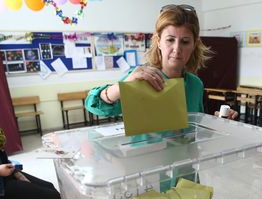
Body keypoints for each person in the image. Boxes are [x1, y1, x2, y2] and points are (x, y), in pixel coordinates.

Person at [85, 4, 237, 120]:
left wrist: (217, 121)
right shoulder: (141, 79)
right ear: (158, 42)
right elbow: (94, 105)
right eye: (170, 40)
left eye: (185, 41)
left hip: (185, 159)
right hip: (145, 159)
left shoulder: (195, 84)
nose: (177, 49)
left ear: (194, 44)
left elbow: (194, 127)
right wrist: (122, 87)